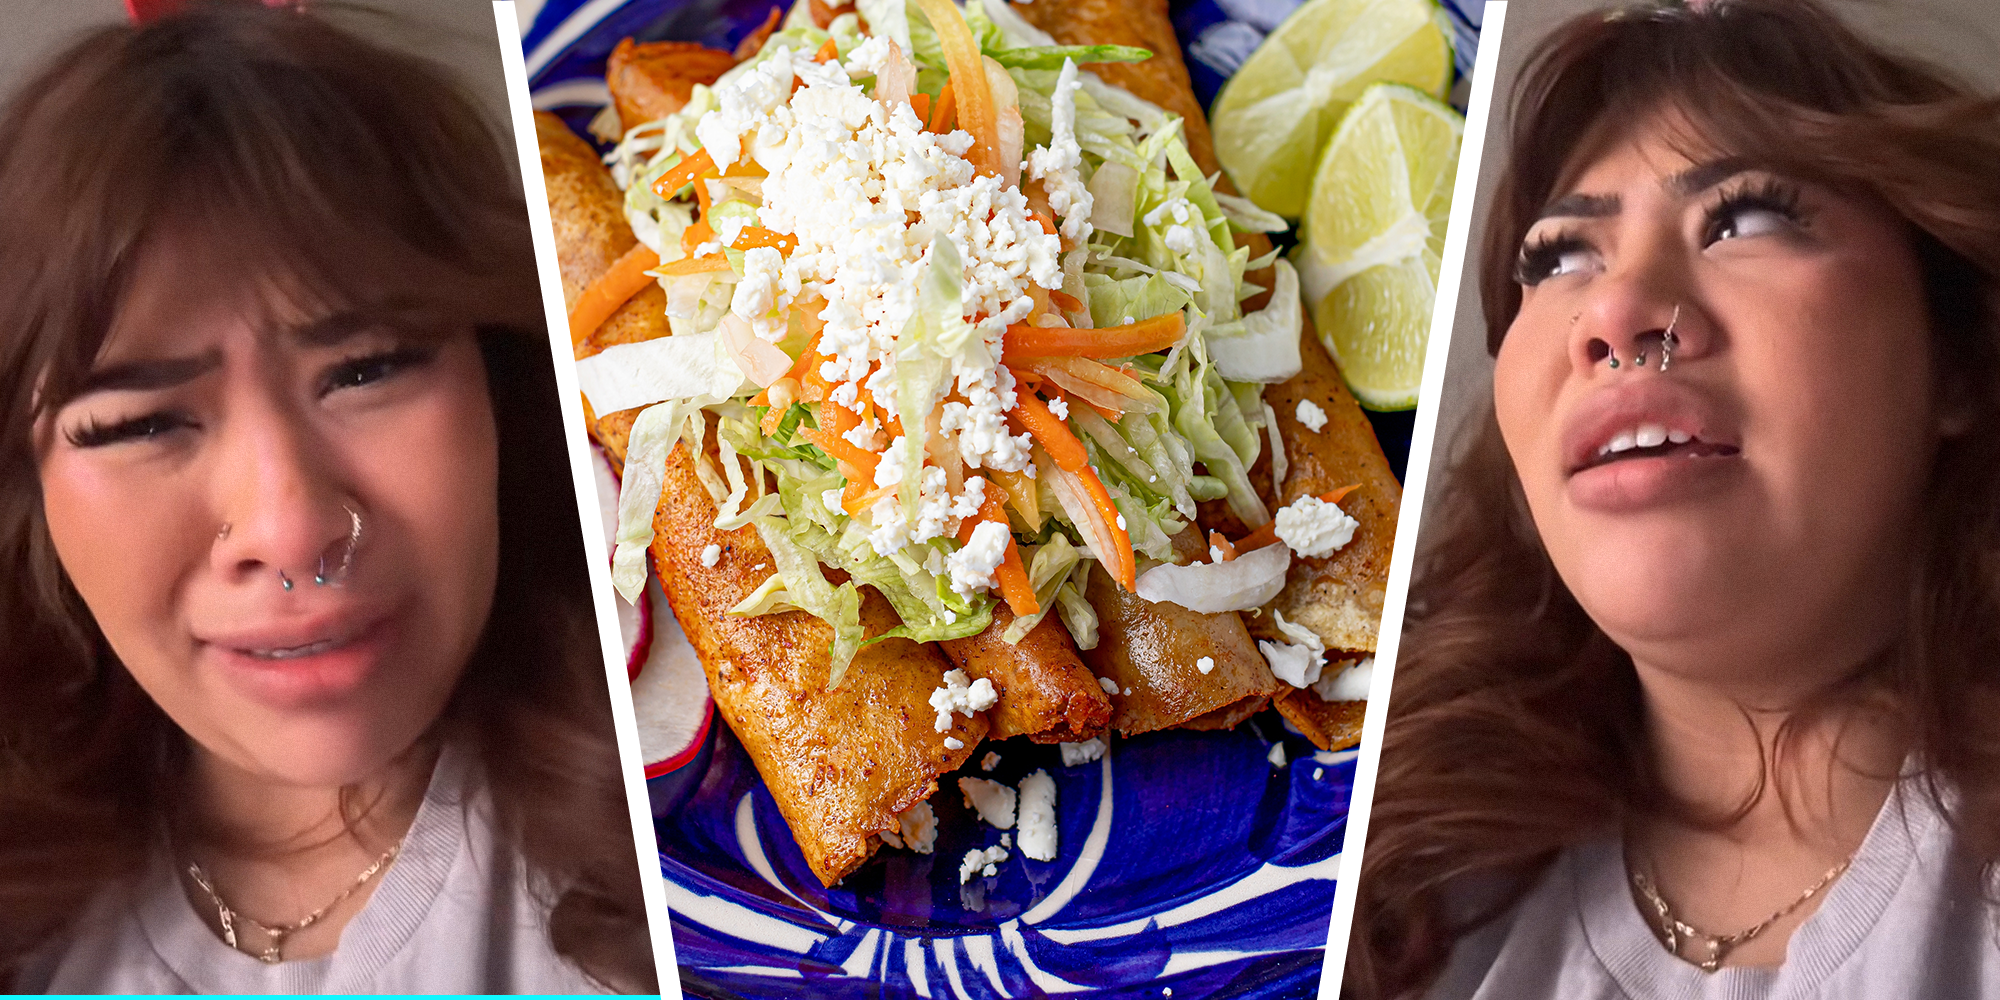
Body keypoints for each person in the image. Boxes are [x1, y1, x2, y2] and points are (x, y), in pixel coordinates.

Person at [1345, 0, 2000, 996]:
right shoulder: (1371, 899)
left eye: (1743, 218)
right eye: (1557, 257)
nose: (1613, 312)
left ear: (1953, 358)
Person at [0, 2, 655, 992]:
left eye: (368, 369)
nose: (291, 528)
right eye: (141, 422)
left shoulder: (684, 887)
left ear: (502, 386)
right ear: (29, 489)